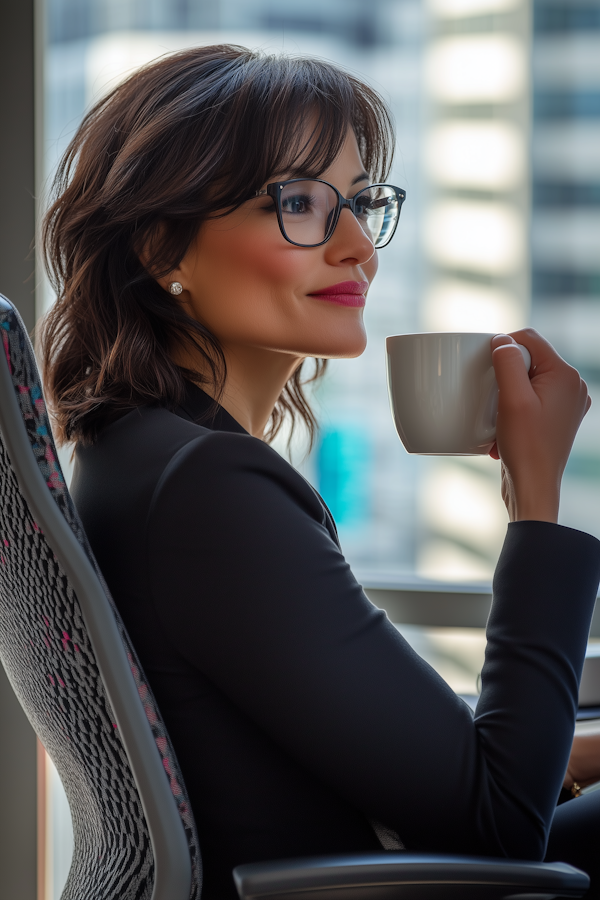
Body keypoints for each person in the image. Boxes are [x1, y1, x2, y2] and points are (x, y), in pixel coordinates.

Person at [41, 45, 600, 899]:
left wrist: (564, 747)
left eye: (361, 205)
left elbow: (375, 737)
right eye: (299, 204)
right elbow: (500, 828)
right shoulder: (207, 489)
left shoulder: (141, 451)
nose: (356, 249)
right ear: (163, 249)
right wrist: (537, 505)